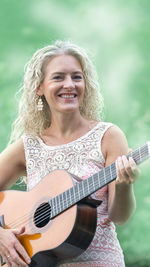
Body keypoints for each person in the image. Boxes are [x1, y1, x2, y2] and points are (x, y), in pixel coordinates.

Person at [0, 40, 139, 267]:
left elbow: (119, 217)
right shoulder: (29, 146)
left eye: (77, 77)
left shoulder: (109, 136)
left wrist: (124, 185)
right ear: (39, 87)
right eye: (58, 77)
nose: (70, 85)